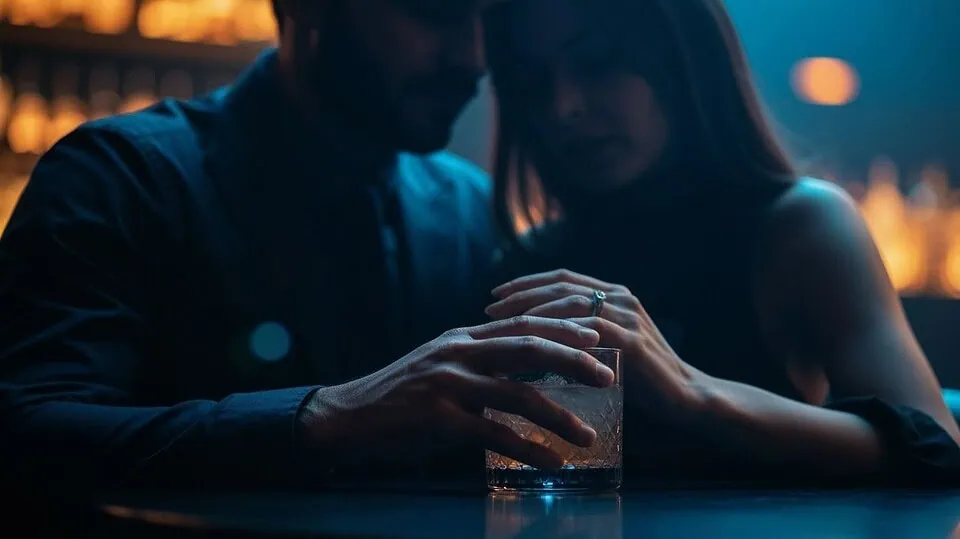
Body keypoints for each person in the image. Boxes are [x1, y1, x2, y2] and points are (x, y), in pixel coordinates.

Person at [0, 0, 615, 493]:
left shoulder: (472, 213)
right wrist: (322, 418)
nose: (475, 59)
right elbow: (24, 438)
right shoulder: (119, 177)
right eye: (436, 14)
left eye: (489, 21)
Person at [481, 0, 960, 486]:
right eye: (532, 81)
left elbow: (937, 447)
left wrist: (692, 391)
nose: (564, 107)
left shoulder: (800, 228)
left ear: (685, 60)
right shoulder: (528, 259)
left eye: (598, 62)